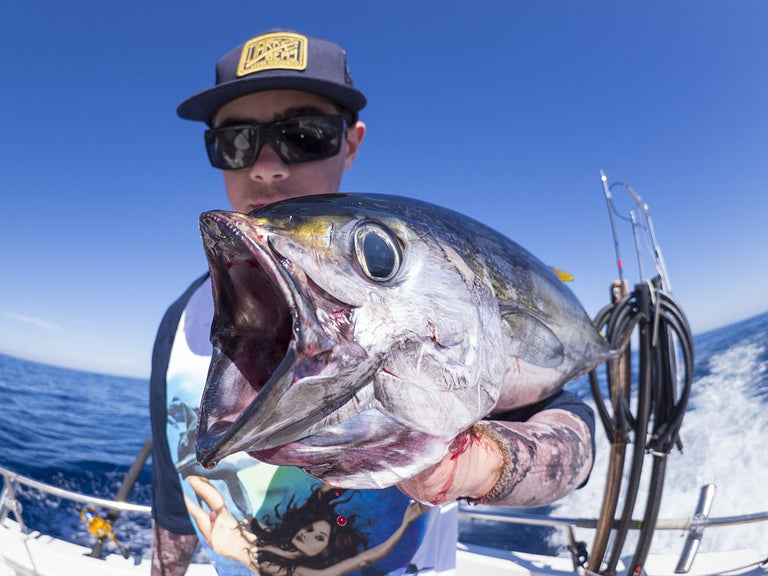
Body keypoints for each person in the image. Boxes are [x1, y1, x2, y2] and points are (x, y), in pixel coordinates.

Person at [150, 28, 595, 576]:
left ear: (351, 142)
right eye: (235, 141)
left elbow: (574, 438)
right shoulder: (179, 324)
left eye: (304, 134)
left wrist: (485, 466)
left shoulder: (438, 291)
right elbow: (173, 499)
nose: (265, 165)